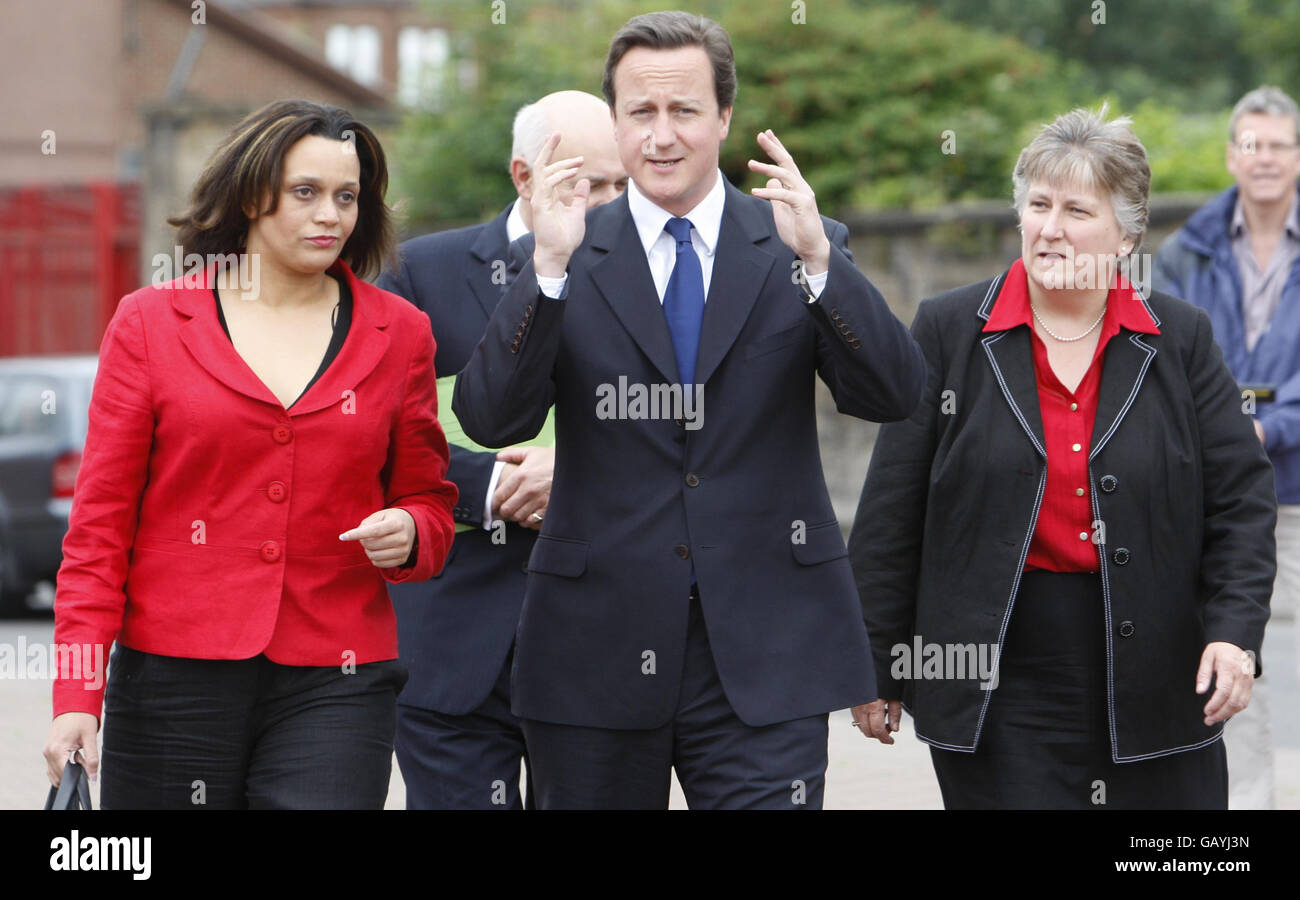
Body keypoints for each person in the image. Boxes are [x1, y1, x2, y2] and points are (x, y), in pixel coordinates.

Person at [453, 10, 926, 810]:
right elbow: (491, 418)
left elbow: (894, 394)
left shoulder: (796, 242)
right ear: (616, 121)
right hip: (592, 649)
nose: (662, 136)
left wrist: (819, 264)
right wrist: (549, 271)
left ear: (725, 118)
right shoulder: (569, 247)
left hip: (767, 651)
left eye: (685, 112)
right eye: (641, 112)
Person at [848, 106, 1276, 809]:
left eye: (1078, 210)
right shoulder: (949, 330)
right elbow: (894, 508)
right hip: (997, 680)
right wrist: (875, 662)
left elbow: (1241, 503)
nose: (1051, 228)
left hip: (1158, 674)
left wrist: (1234, 637)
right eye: (1038, 205)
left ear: (1128, 233)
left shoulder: (1181, 339)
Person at [41, 99, 458, 809]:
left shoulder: (402, 333)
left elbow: (428, 500)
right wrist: (76, 693)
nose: (330, 214)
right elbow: (97, 531)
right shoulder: (150, 324)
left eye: (347, 197)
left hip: (338, 678)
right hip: (173, 680)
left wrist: (413, 531)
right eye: (306, 193)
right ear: (252, 195)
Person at [379, 90, 626, 810]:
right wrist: (490, 487)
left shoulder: (659, 277)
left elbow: (694, 435)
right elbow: (373, 433)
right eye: (589, 182)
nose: (610, 202)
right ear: (525, 175)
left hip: (604, 641)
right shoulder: (420, 272)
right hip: (450, 646)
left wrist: (576, 476)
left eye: (621, 183)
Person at [1154, 85, 1300, 809]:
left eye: (1278, 144)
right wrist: (1222, 428)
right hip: (1218, 496)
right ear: (1231, 155)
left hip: (1299, 485)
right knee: (1236, 656)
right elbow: (1168, 355)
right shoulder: (1186, 251)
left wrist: (1270, 426)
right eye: (1252, 144)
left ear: (1297, 156)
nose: (1264, 157)